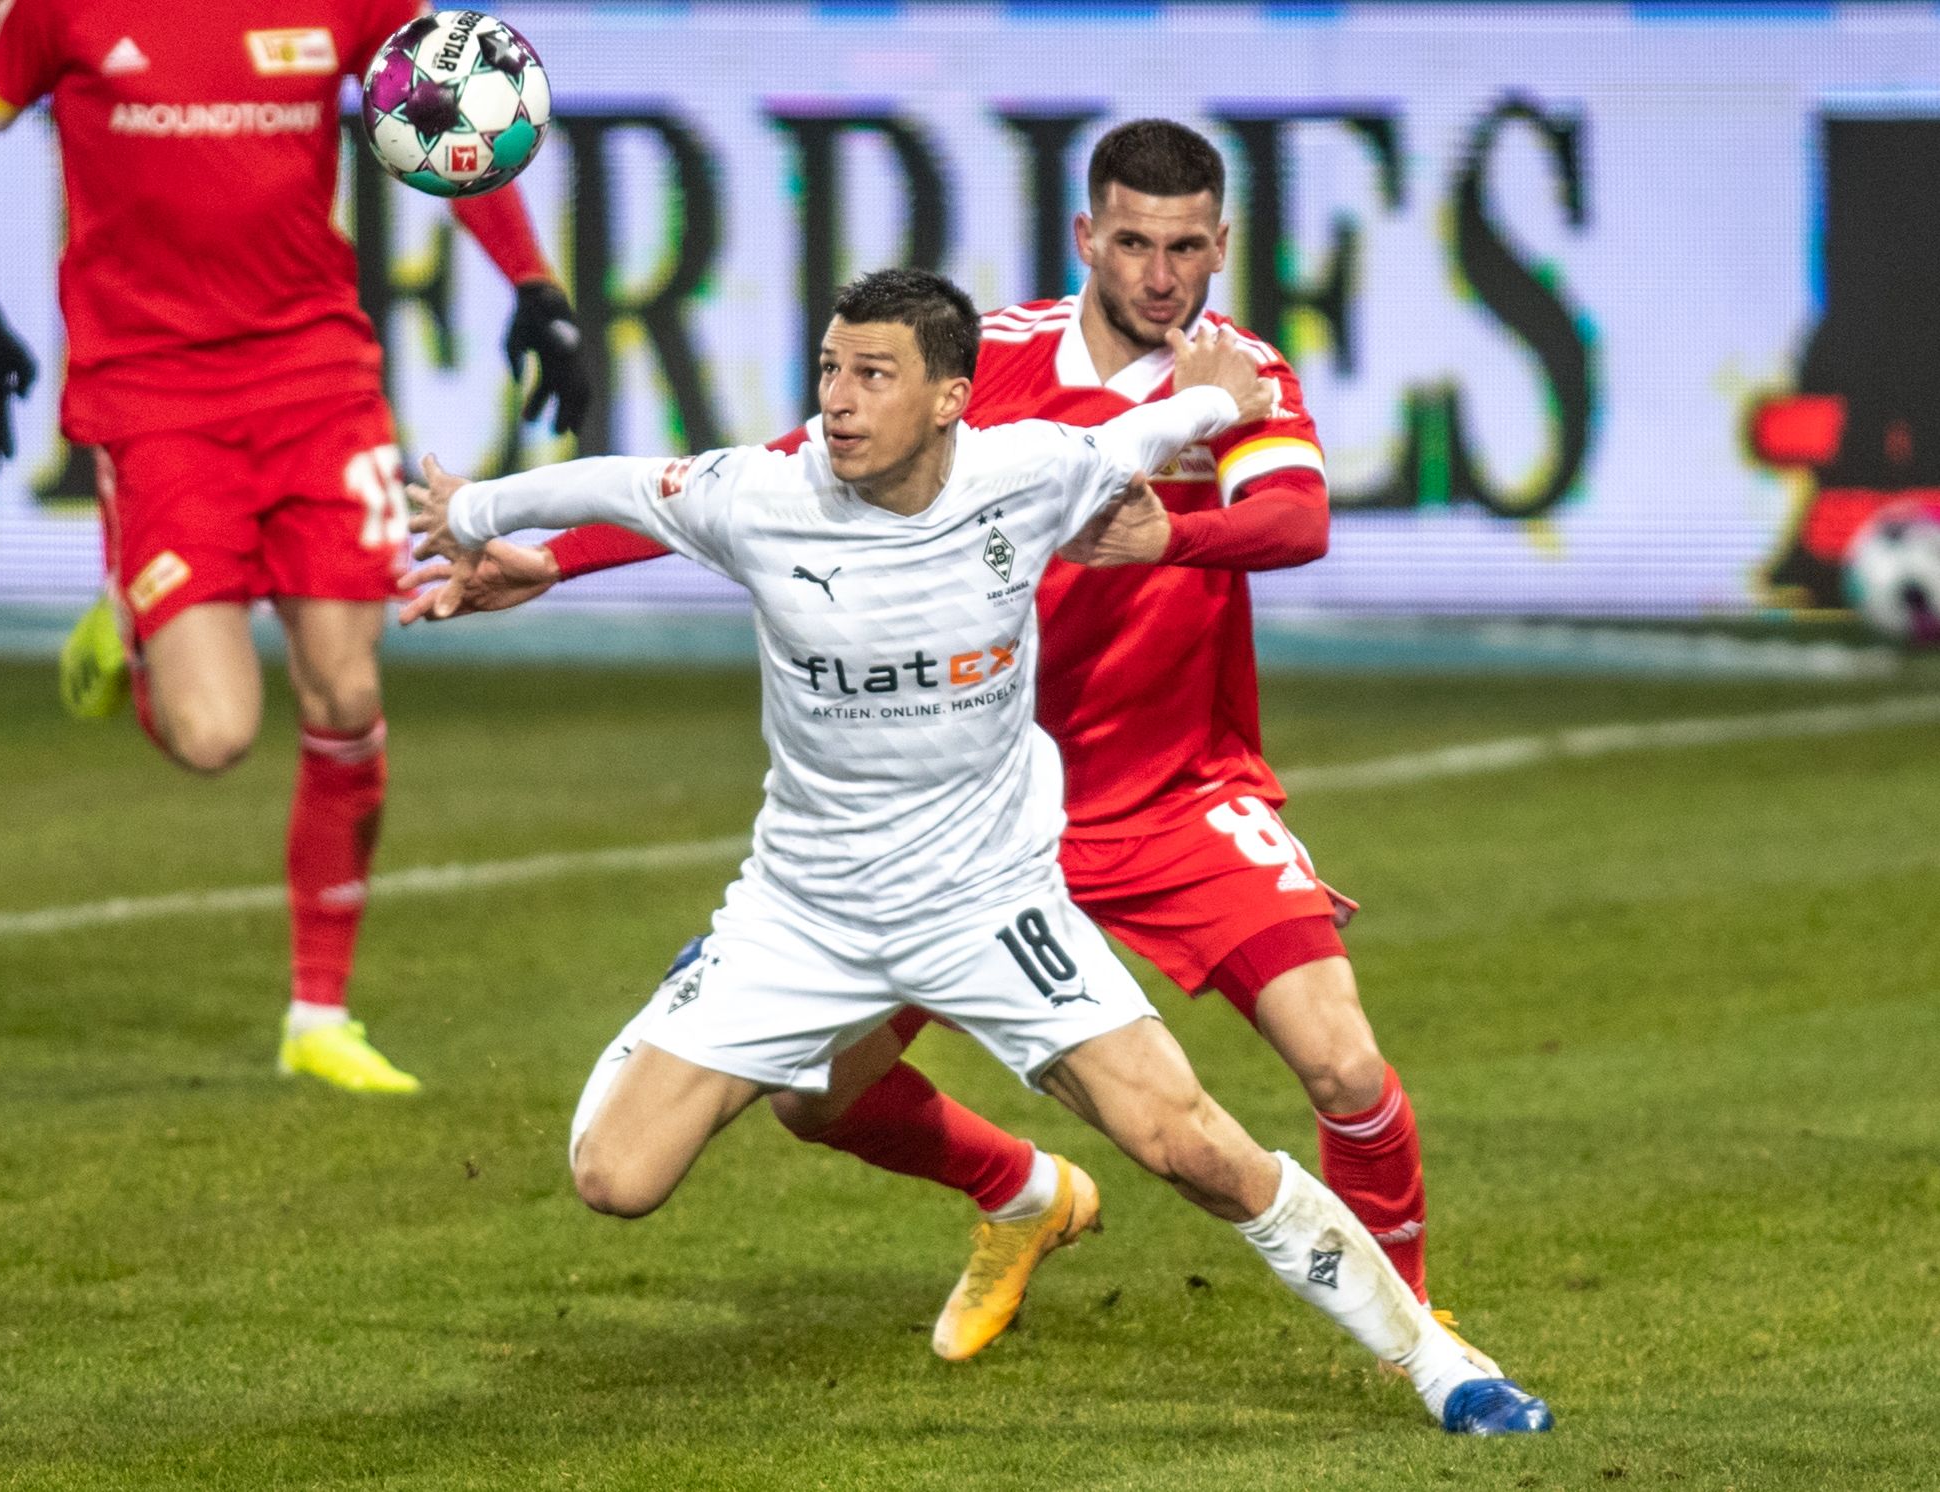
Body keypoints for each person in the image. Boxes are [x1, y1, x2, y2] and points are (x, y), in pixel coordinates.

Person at [405, 267, 1551, 1436]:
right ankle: (948, 1139)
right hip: (805, 912)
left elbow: (1153, 429)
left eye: (873, 375)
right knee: (616, 1179)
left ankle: (1440, 1362)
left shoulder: (1033, 473)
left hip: (990, 903)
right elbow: (612, 483)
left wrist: (1214, 400)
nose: (838, 403)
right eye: (829, 371)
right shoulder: (755, 493)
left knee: (1190, 1144)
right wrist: (480, 513)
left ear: (952, 397)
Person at [0, 0, 590, 1093]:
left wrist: (537, 287)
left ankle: (319, 1013)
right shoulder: (55, 8)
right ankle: (132, 625)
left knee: (344, 691)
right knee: (214, 732)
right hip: (154, 396)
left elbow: (452, 108)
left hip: (315, 378)